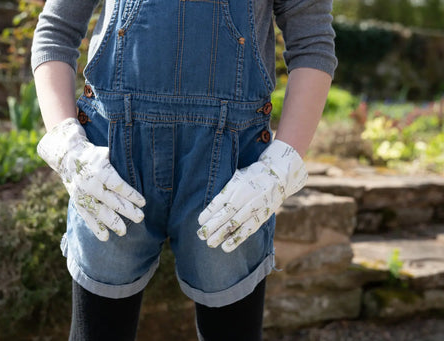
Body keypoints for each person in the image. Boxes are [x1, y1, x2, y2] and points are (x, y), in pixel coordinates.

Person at [31, 0, 337, 340]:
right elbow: (56, 32)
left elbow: (312, 43)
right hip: (112, 165)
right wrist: (67, 146)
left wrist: (280, 168)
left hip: (230, 169)